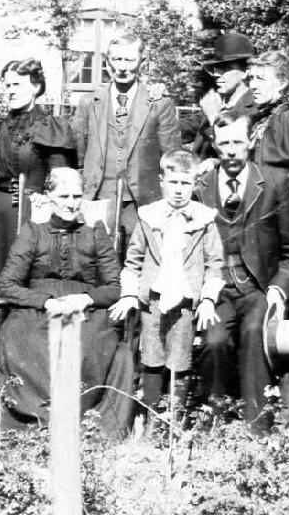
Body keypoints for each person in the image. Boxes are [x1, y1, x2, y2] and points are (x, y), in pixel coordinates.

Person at [0, 168, 123, 438]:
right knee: (20, 340)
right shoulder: (32, 233)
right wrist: (45, 302)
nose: (71, 203)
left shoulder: (95, 234)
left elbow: (114, 286)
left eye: (77, 196)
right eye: (64, 196)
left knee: (89, 346)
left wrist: (86, 298)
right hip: (38, 309)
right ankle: (33, 422)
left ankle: (81, 423)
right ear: (49, 197)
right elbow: (7, 284)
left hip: (85, 309)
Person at [194, 110, 289, 422]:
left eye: (238, 142)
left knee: (255, 331)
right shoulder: (201, 187)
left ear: (251, 142)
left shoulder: (273, 184)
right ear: (214, 145)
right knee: (214, 341)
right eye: (224, 142)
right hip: (215, 289)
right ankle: (211, 420)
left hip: (257, 288)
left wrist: (279, 289)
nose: (231, 150)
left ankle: (258, 425)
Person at [111, 150, 224, 421]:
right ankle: (149, 416)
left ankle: (175, 419)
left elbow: (215, 263)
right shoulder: (149, 217)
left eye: (186, 184)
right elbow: (133, 260)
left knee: (180, 356)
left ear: (195, 184)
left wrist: (208, 299)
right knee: (152, 354)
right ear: (162, 181)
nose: (178, 190)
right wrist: (128, 294)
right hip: (152, 300)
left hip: (185, 301)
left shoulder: (204, 220)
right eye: (173, 182)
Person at [72, 34, 180, 260]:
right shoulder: (88, 103)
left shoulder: (159, 103)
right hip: (98, 200)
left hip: (141, 203)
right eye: (117, 59)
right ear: (107, 62)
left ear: (143, 61)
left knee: (138, 264)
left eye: (129, 60)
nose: (122, 67)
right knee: (97, 264)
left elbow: (172, 160)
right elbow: (77, 157)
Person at [0, 59, 76, 286]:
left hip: (34, 212)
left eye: (17, 85)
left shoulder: (51, 126)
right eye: (8, 85)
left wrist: (45, 195)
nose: (10, 91)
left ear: (36, 87)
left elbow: (61, 179)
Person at [244, 51, 289, 192]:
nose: (253, 85)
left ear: (282, 83)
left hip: (269, 205)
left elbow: (287, 173)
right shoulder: (261, 118)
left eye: (260, 79)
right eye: (251, 78)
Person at [189, 31, 255, 156]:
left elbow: (236, 152)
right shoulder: (217, 104)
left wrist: (214, 119)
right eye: (216, 68)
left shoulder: (254, 109)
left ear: (245, 71)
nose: (217, 75)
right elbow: (181, 128)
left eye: (225, 69)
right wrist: (159, 103)